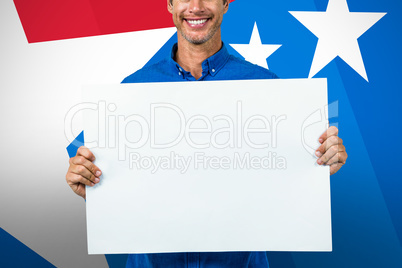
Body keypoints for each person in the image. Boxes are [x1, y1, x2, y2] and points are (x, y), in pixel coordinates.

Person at [66, 0, 348, 267]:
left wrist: (320, 163)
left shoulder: (267, 88)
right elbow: (125, 192)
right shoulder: (131, 90)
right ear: (169, 4)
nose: (196, 7)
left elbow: (284, 184)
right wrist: (95, 190)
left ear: (226, 2)